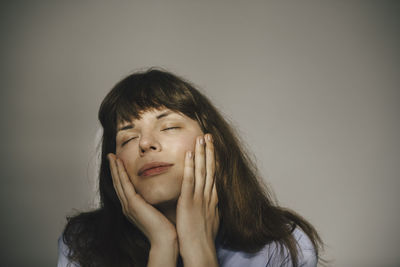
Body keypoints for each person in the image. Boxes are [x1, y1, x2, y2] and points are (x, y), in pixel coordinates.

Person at [58, 68, 326, 267]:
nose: (146, 143)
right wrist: (163, 245)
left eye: (169, 126)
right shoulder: (83, 245)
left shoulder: (283, 247)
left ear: (213, 144)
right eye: (128, 137)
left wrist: (199, 250)